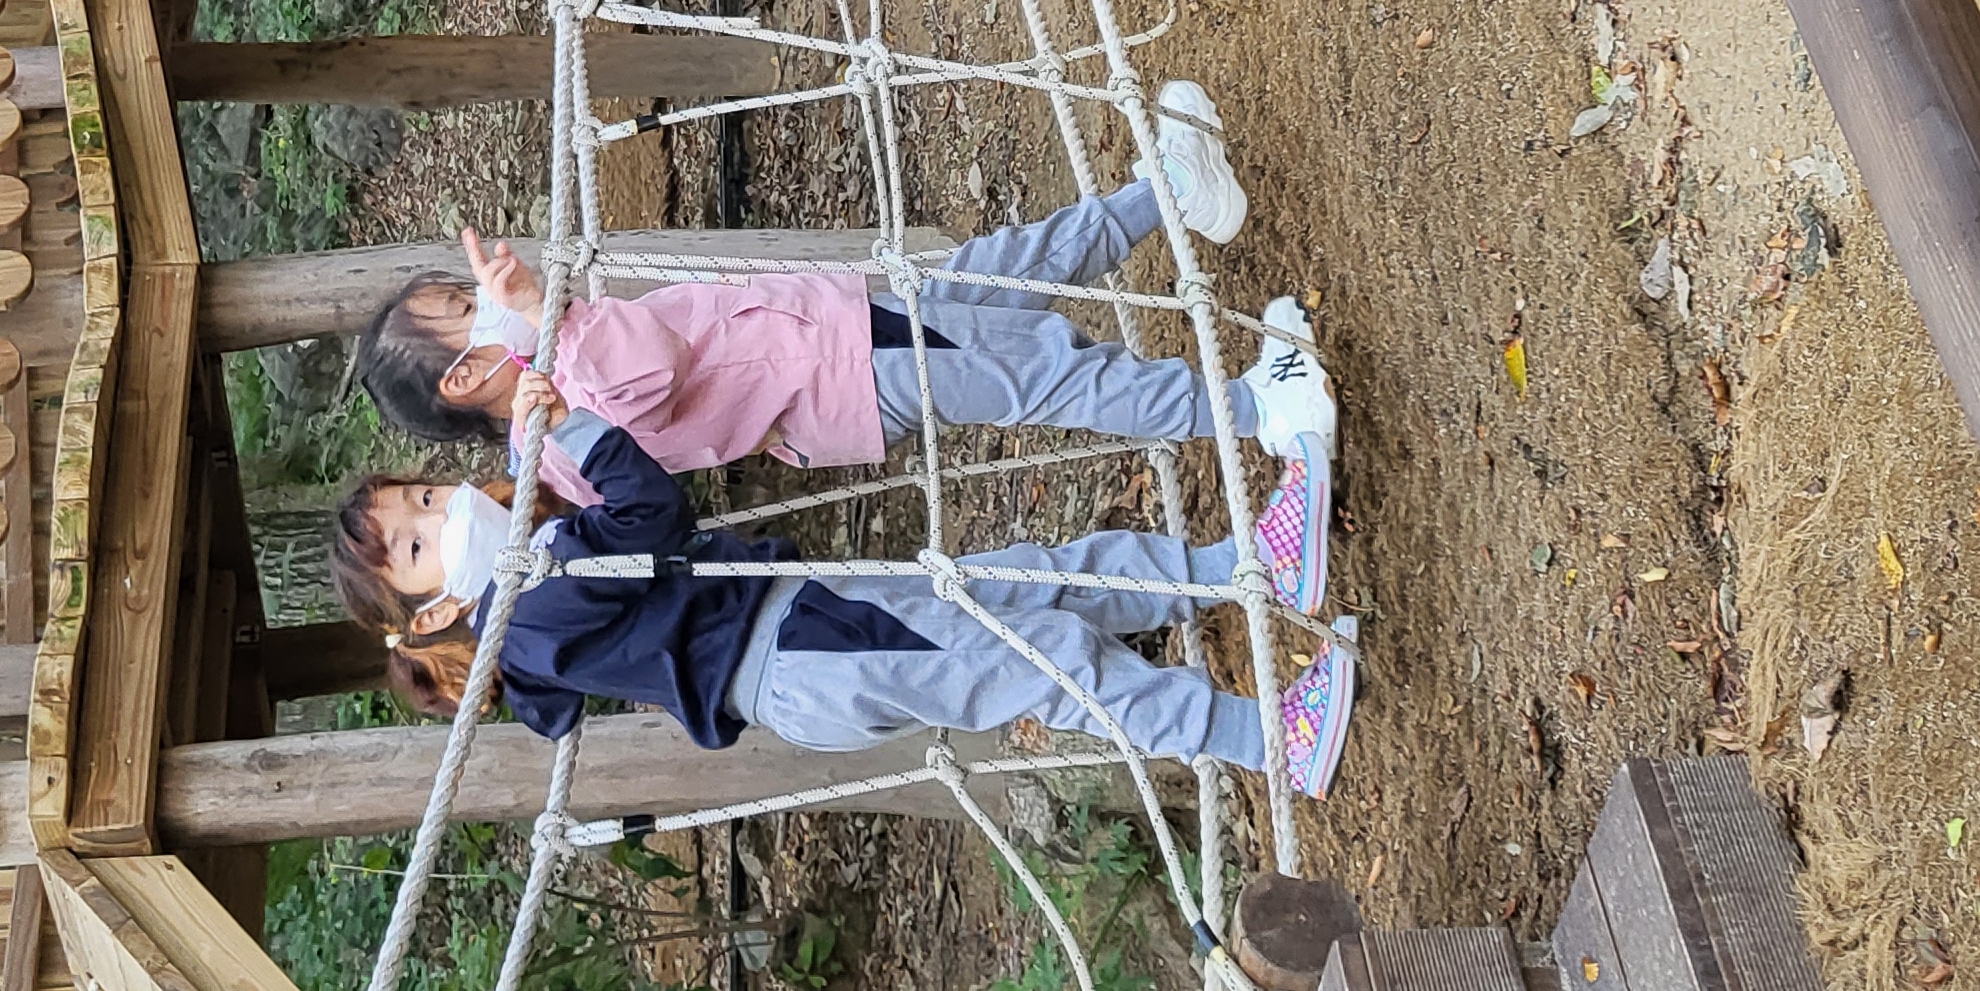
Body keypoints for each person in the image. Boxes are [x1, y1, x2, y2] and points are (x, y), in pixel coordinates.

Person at [350, 80, 1341, 617]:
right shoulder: (559, 426)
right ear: (466, 369)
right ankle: (1258, 408)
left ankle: (1167, 187)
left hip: (823, 320)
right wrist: (546, 316)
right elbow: (648, 366)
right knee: (1043, 370)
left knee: (1007, 265)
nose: (488, 285)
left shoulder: (553, 372)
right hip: (839, 382)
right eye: (460, 298)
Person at [326, 379, 1359, 794]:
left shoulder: (540, 564)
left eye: (424, 494)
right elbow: (651, 517)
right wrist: (570, 428)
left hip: (804, 614)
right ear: (436, 612)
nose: (441, 514)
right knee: (1038, 658)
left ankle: (1243, 571)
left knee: (1037, 585)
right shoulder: (536, 615)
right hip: (801, 657)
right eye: (415, 546)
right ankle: (1269, 739)